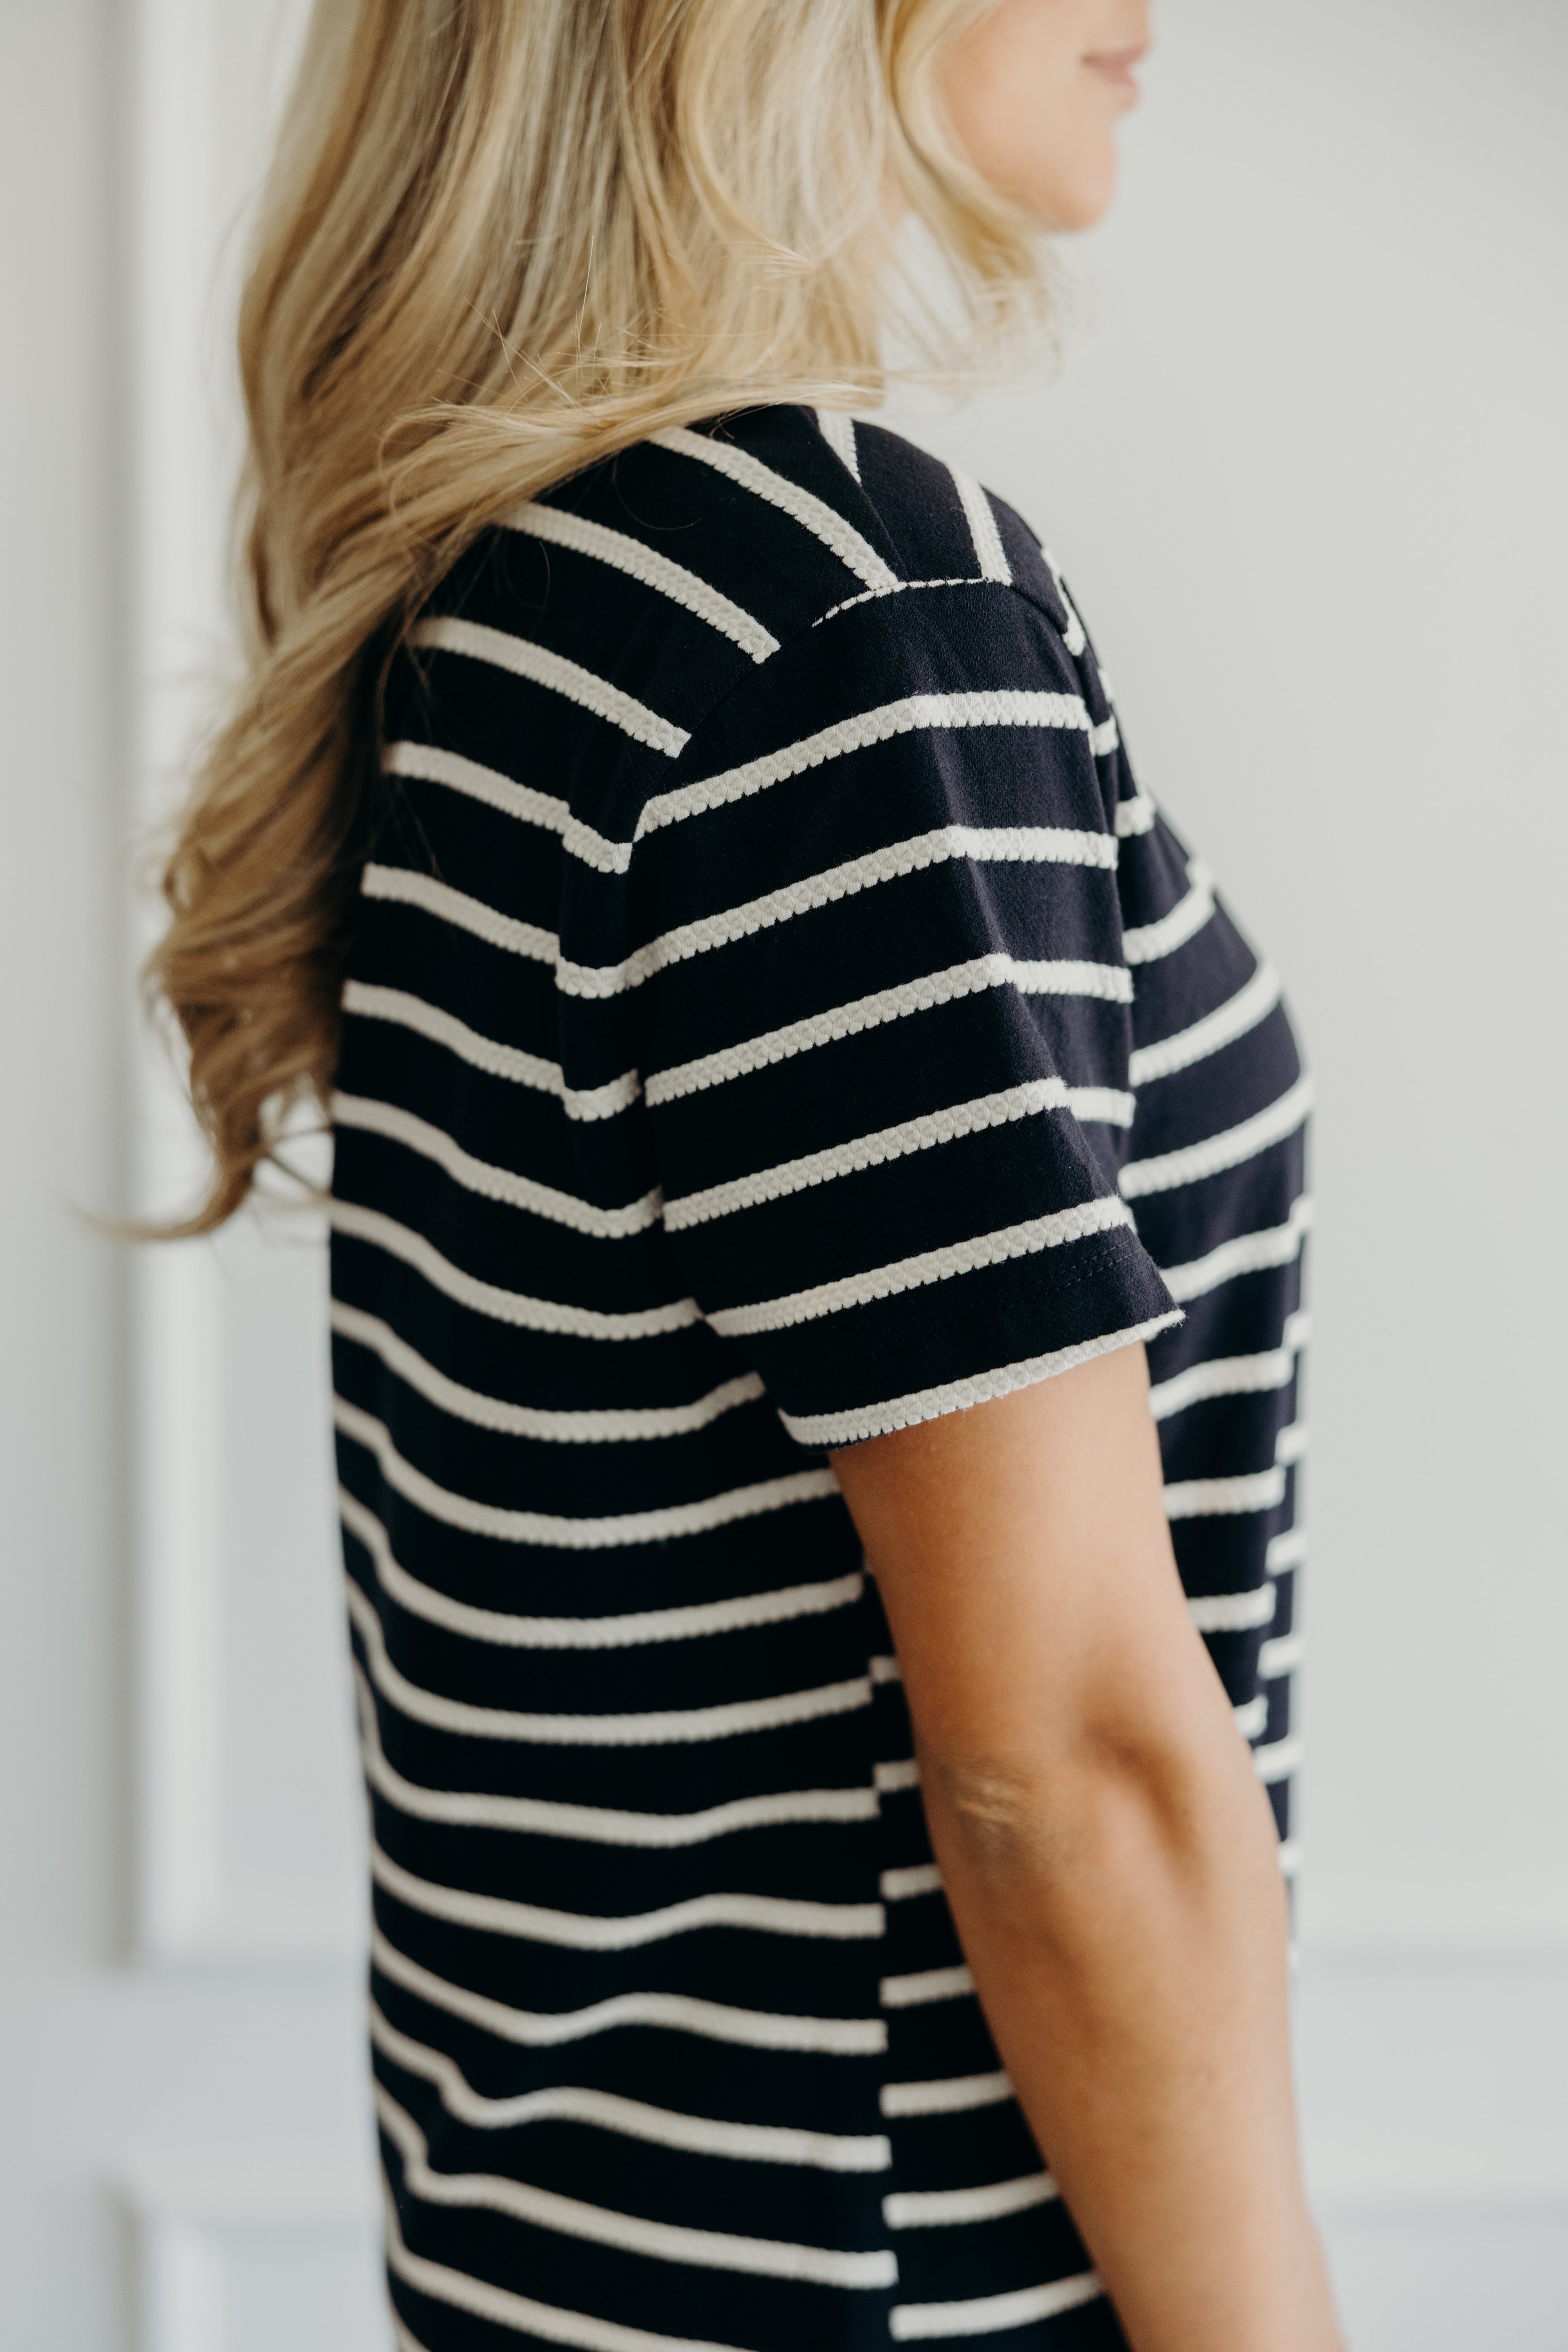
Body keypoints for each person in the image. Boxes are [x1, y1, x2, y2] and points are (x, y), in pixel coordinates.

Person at [150, 2, 1341, 2345]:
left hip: (590, 2258)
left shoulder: (539, 586)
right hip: (896, 2283)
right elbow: (1065, 1763)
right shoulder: (829, 615)